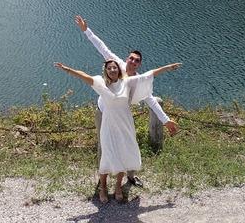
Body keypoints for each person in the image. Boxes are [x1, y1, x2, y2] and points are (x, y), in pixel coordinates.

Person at [55, 59, 181, 203]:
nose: (113, 70)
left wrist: (168, 67)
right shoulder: (100, 83)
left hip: (125, 124)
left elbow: (148, 75)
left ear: (119, 70)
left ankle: (118, 187)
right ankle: (103, 187)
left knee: (123, 154)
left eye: (115, 68)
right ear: (106, 71)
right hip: (109, 125)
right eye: (109, 68)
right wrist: (67, 69)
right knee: (107, 155)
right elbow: (84, 76)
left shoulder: (126, 82)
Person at [74, 15, 178, 187]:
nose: (133, 61)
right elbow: (101, 47)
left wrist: (166, 121)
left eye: (137, 61)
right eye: (131, 58)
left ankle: (130, 176)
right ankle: (104, 178)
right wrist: (86, 30)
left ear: (139, 64)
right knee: (105, 143)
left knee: (128, 143)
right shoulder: (117, 66)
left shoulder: (138, 80)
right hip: (104, 111)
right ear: (127, 59)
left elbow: (151, 101)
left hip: (123, 114)